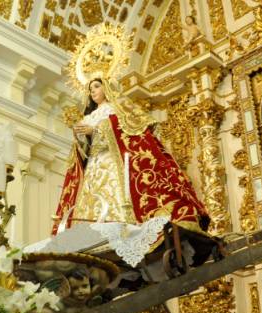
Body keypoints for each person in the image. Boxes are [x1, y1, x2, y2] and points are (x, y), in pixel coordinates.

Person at [52, 77, 210, 246]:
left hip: (112, 162)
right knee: (91, 199)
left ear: (107, 88)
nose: (93, 91)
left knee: (113, 193)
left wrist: (97, 130)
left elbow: (126, 130)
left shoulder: (116, 109)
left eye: (97, 86)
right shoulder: (89, 116)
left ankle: (120, 226)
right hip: (94, 165)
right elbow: (84, 150)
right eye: (90, 89)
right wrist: (80, 137)